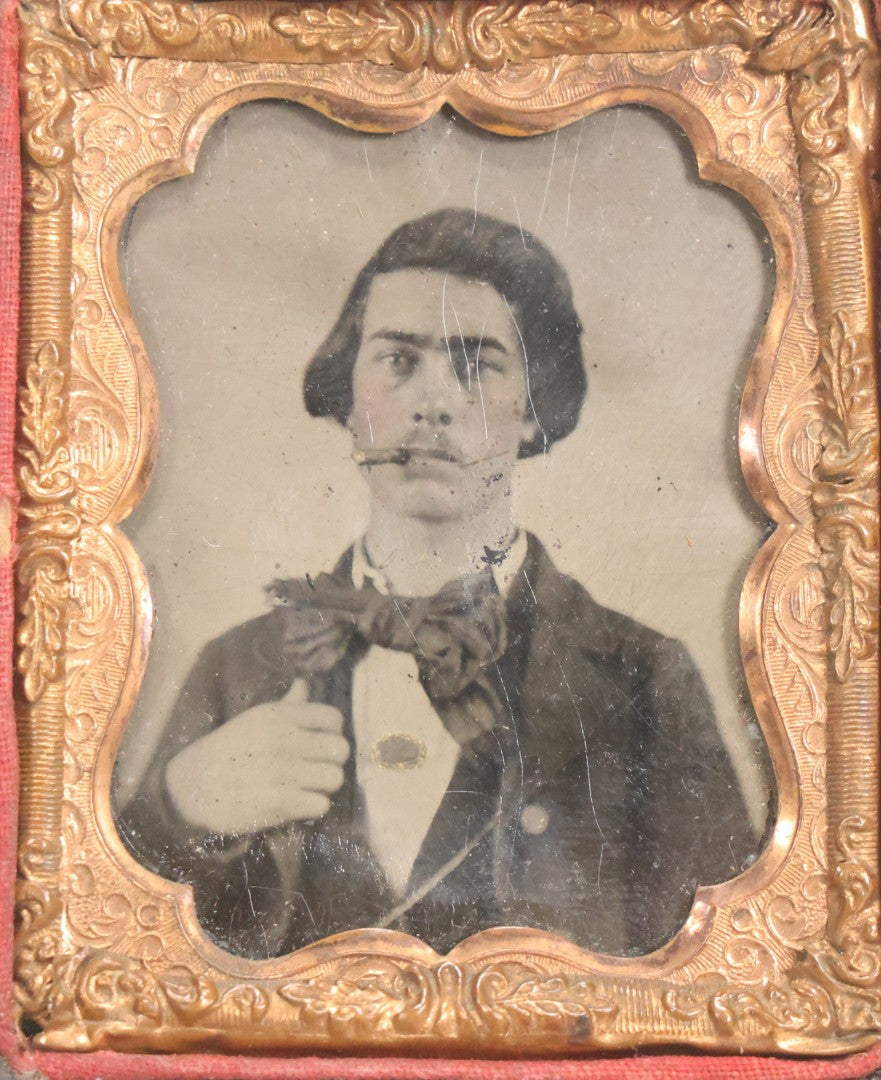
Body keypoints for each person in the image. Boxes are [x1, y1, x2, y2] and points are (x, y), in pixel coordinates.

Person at [115, 208, 759, 960]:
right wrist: (182, 810)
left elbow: (727, 965)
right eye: (396, 359)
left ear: (531, 407)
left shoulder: (642, 677)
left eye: (477, 363)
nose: (433, 400)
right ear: (350, 399)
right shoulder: (238, 666)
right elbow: (112, 951)